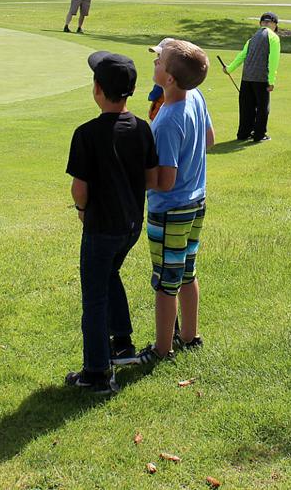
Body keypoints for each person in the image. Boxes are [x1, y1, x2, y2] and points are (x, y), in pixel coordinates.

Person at [65, 52, 159, 394]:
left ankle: (96, 373)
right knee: (110, 274)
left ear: (98, 90)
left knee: (94, 297)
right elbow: (151, 179)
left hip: (101, 227)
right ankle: (121, 343)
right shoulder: (142, 129)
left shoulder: (86, 134)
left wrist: (80, 207)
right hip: (131, 226)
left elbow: (80, 187)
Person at [116, 39, 215, 365]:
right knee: (187, 271)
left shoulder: (170, 118)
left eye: (159, 62)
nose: (154, 65)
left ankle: (162, 349)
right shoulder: (196, 97)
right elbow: (210, 140)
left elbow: (165, 179)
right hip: (196, 201)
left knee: (165, 282)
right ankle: (189, 336)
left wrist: (131, 178)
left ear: (170, 78)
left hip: (170, 209)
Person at [225, 12, 281, 142]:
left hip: (246, 79)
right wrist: (271, 81)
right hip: (262, 79)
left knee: (246, 107)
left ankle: (243, 134)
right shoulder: (273, 37)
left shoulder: (252, 38)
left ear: (261, 23)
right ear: (275, 24)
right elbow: (273, 61)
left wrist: (229, 69)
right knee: (262, 108)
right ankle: (259, 135)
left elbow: (242, 56)